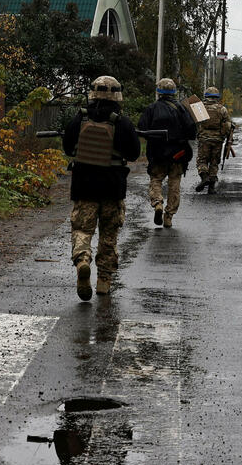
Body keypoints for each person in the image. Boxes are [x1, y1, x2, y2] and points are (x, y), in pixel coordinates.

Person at [62, 76, 141, 300]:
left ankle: (82, 260)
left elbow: (68, 148)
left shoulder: (80, 118)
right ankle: (104, 281)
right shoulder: (122, 122)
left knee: (82, 230)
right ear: (117, 96)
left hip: (84, 186)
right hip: (112, 189)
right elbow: (134, 153)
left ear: (92, 94)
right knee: (108, 236)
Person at [138, 78, 197, 228]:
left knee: (156, 179)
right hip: (178, 153)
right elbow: (192, 131)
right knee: (174, 183)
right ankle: (169, 215)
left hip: (157, 152)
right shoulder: (182, 109)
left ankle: (157, 202)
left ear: (158, 92)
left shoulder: (151, 108)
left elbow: (142, 129)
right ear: (174, 92)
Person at [194, 86, 232, 194]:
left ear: (206, 96)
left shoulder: (200, 108)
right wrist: (225, 135)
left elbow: (194, 122)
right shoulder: (222, 109)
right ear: (217, 97)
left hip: (204, 139)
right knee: (214, 162)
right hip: (217, 140)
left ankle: (204, 177)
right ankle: (211, 187)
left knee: (202, 160)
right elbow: (228, 125)